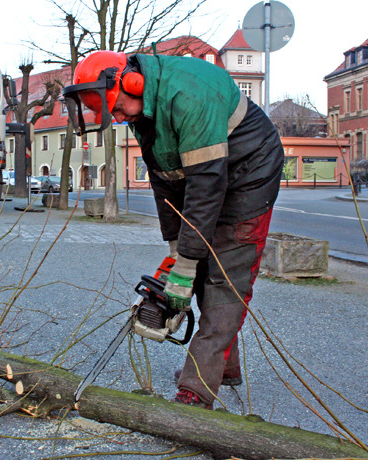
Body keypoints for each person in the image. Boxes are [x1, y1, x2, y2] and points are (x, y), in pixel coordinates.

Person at [62, 51, 284, 409]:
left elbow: (207, 182)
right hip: (204, 179)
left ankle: (195, 391)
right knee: (196, 271)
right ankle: (223, 367)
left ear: (131, 82)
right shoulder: (143, 111)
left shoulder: (190, 93)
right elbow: (164, 180)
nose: (116, 118)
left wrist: (188, 258)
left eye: (115, 109)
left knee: (225, 276)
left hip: (248, 176)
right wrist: (176, 249)